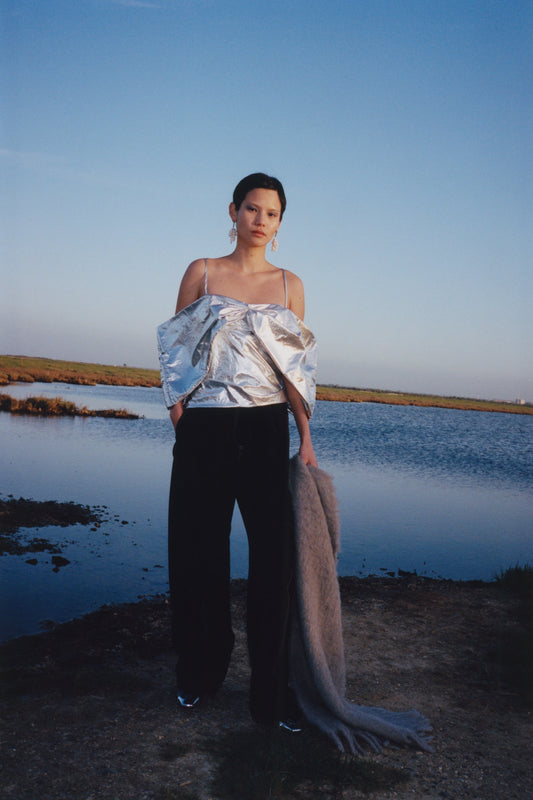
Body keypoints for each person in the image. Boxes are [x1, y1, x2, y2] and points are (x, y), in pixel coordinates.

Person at [157, 173, 317, 729]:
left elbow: (296, 371)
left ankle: (271, 695)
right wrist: (181, 419)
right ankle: (200, 672)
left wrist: (306, 437)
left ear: (280, 222)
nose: (260, 221)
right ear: (233, 211)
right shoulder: (201, 272)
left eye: (271, 213)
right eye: (252, 209)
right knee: (199, 556)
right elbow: (175, 354)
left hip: (267, 429)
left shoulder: (290, 284)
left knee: (274, 563)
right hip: (204, 430)